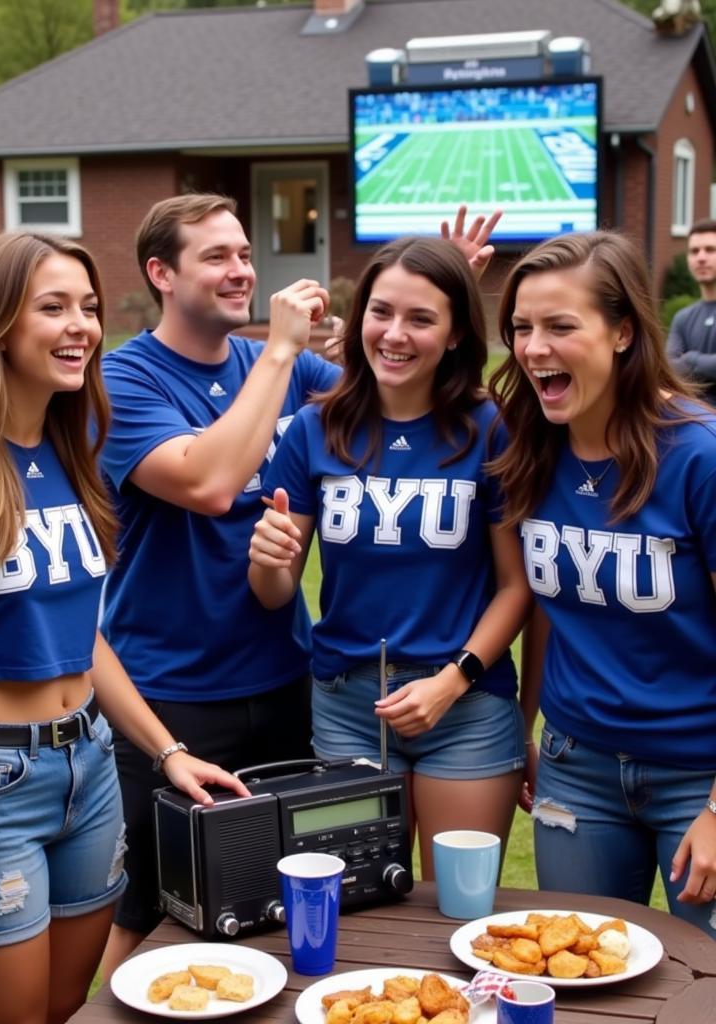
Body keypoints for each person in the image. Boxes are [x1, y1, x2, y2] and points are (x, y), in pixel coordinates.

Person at [0, 231, 248, 1024]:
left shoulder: (77, 448)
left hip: (90, 767)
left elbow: (81, 634)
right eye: (54, 308)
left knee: (70, 1005)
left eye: (90, 308)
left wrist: (166, 751)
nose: (82, 327)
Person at [97, 193, 339, 974]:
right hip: (171, 693)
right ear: (161, 272)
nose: (241, 271)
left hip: (282, 675)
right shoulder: (121, 380)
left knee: (282, 886)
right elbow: (205, 481)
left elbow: (396, 406)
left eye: (244, 254)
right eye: (217, 257)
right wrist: (277, 354)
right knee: (149, 906)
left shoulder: (292, 369)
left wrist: (439, 300)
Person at [247, 236, 532, 875]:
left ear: (457, 333)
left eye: (421, 318)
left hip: (467, 704)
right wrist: (267, 559)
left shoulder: (493, 429)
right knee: (358, 903)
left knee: (457, 914)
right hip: (349, 705)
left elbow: (517, 586)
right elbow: (275, 591)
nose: (394, 334)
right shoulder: (315, 430)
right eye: (381, 312)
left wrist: (452, 680)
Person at [490, 231, 716, 938]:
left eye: (561, 326)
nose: (533, 349)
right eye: (522, 328)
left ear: (622, 332)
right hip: (574, 768)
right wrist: (529, 733)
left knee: (700, 990)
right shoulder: (529, 446)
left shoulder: (698, 454)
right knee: (578, 975)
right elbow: (549, 613)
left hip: (697, 776)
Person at [667, 218, 716, 405]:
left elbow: (681, 366)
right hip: (694, 421)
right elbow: (670, 368)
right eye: (694, 251)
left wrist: (689, 359)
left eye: (710, 250)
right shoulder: (683, 317)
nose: (701, 257)